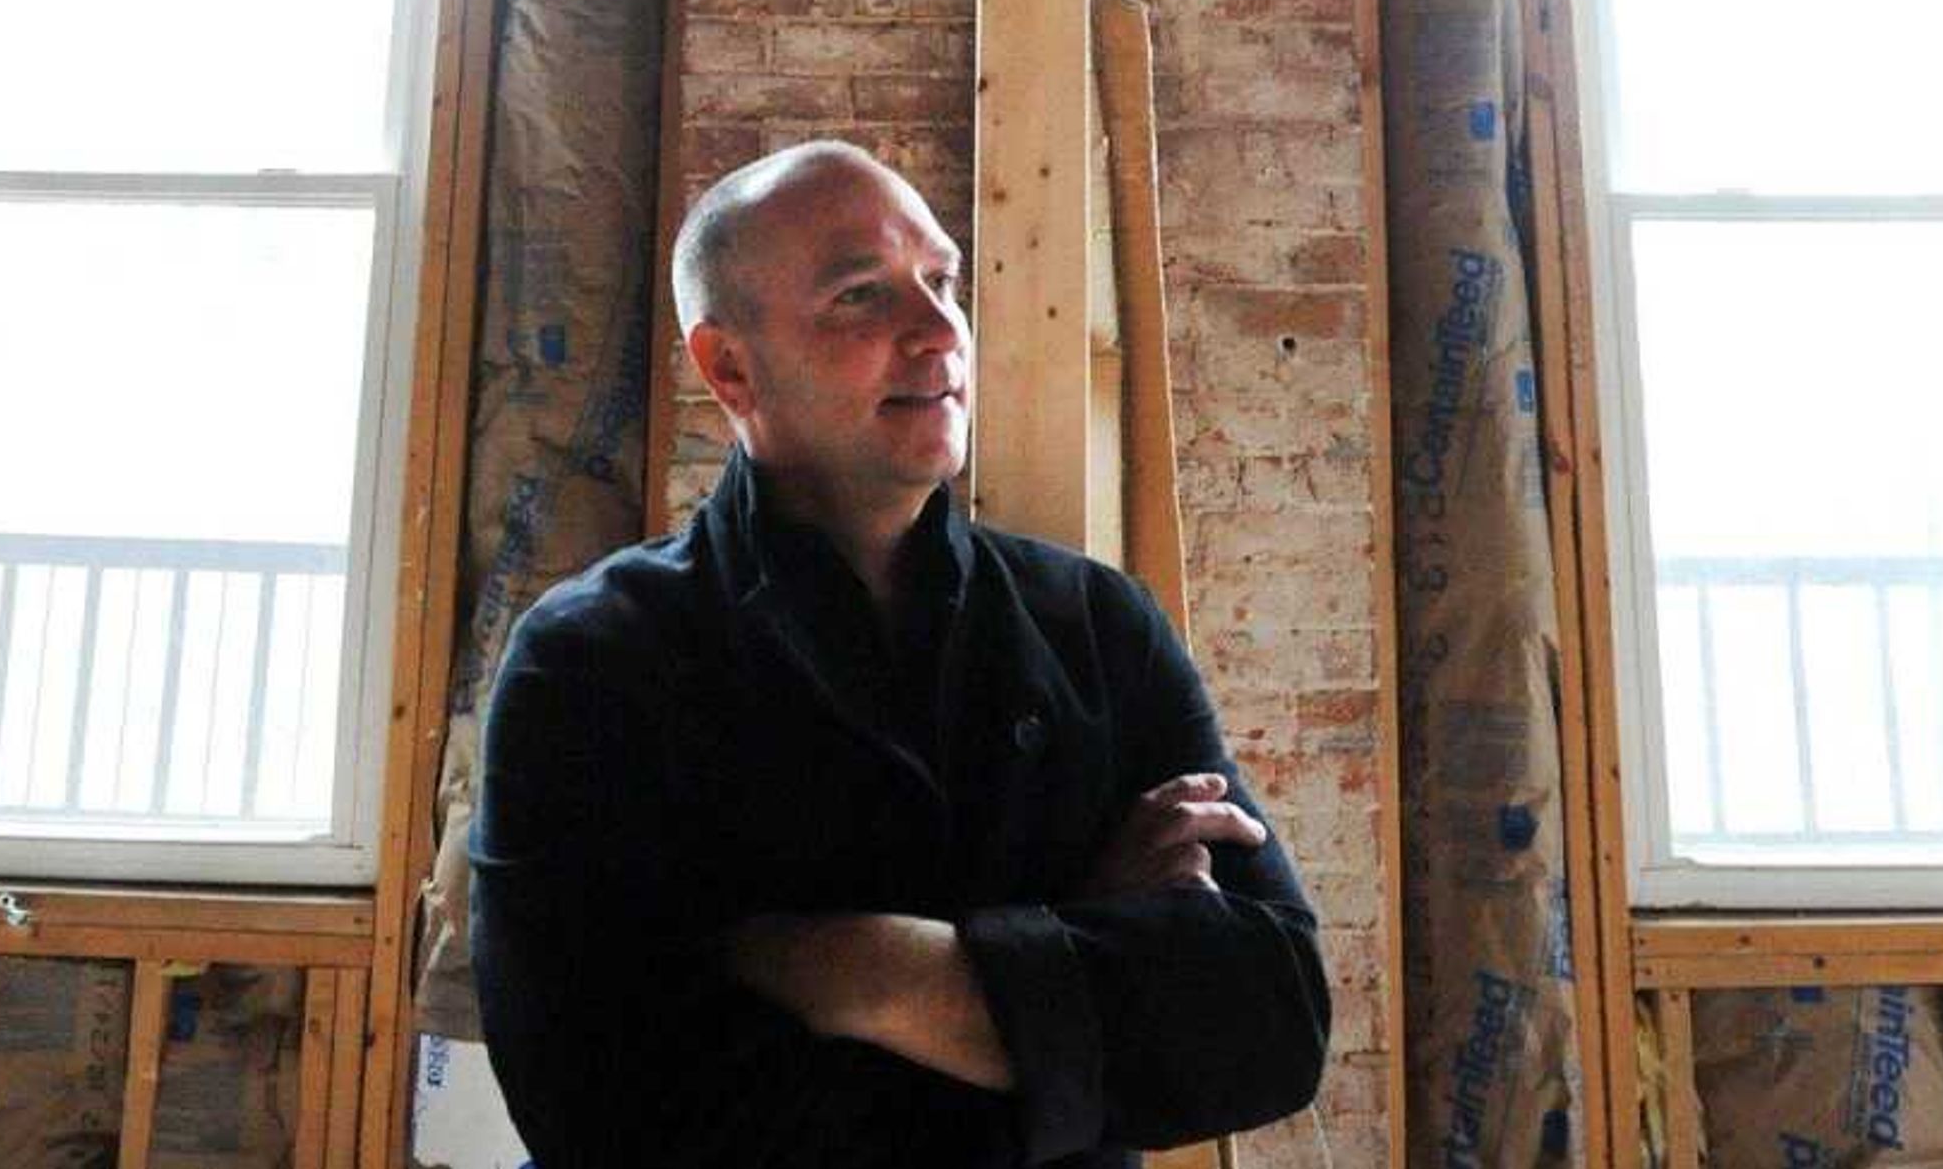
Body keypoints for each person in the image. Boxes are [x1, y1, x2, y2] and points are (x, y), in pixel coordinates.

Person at [467, 140, 1332, 1167]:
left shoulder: (1098, 627)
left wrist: (860, 971)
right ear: (729, 365)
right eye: (861, 296)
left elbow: (1272, 1023)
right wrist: (1075, 960)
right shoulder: (596, 662)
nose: (938, 332)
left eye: (941, 280)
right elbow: (611, 1120)